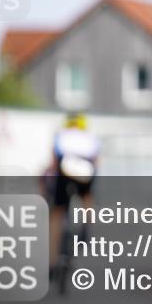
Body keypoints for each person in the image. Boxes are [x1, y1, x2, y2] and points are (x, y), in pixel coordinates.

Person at [46, 112, 101, 272]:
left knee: (57, 212)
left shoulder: (61, 135)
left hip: (65, 165)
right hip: (85, 167)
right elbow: (97, 160)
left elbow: (54, 162)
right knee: (87, 196)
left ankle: (52, 262)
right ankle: (86, 227)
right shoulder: (90, 137)